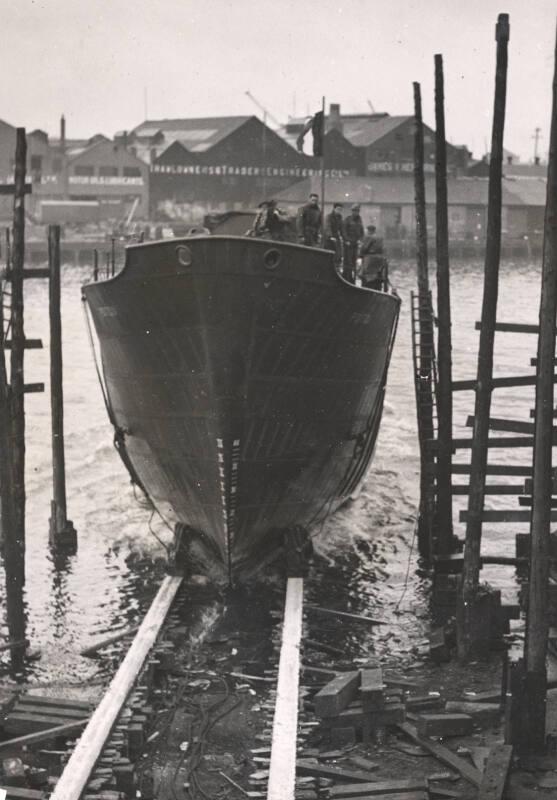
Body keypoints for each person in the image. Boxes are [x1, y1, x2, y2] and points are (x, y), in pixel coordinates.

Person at [359, 224, 388, 290]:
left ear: (369, 231)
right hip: (380, 259)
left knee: (365, 276)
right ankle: (378, 288)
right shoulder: (380, 238)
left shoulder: (368, 237)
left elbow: (364, 248)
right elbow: (383, 249)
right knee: (378, 277)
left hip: (370, 259)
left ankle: (366, 288)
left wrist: (360, 255)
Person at [343, 204, 364, 283]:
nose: (356, 212)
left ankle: (353, 279)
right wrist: (347, 240)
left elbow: (361, 231)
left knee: (354, 261)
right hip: (348, 244)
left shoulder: (359, 220)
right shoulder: (347, 219)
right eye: (355, 211)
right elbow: (344, 231)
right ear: (352, 211)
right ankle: (347, 278)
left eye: (357, 211)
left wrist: (360, 240)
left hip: (356, 243)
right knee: (348, 261)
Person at [324, 202, 344, 267]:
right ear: (334, 208)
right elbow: (328, 227)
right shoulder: (329, 216)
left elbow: (341, 228)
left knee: (338, 254)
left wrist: (344, 237)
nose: (339, 211)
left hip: (336, 237)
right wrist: (330, 236)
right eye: (338, 209)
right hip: (329, 238)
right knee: (329, 254)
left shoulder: (340, 217)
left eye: (340, 209)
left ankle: (336, 268)